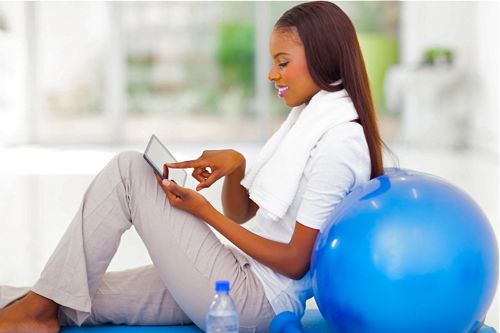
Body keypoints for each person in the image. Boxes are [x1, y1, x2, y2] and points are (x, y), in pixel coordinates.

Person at [0, 1, 386, 332]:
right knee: (75, 292)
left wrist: (205, 214)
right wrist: (237, 168)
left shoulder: (339, 142)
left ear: (322, 57)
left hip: (254, 300)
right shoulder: (308, 119)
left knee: (129, 171)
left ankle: (35, 314)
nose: (272, 74)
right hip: (235, 272)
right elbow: (245, 211)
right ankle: (36, 312)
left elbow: (296, 261)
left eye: (282, 62)